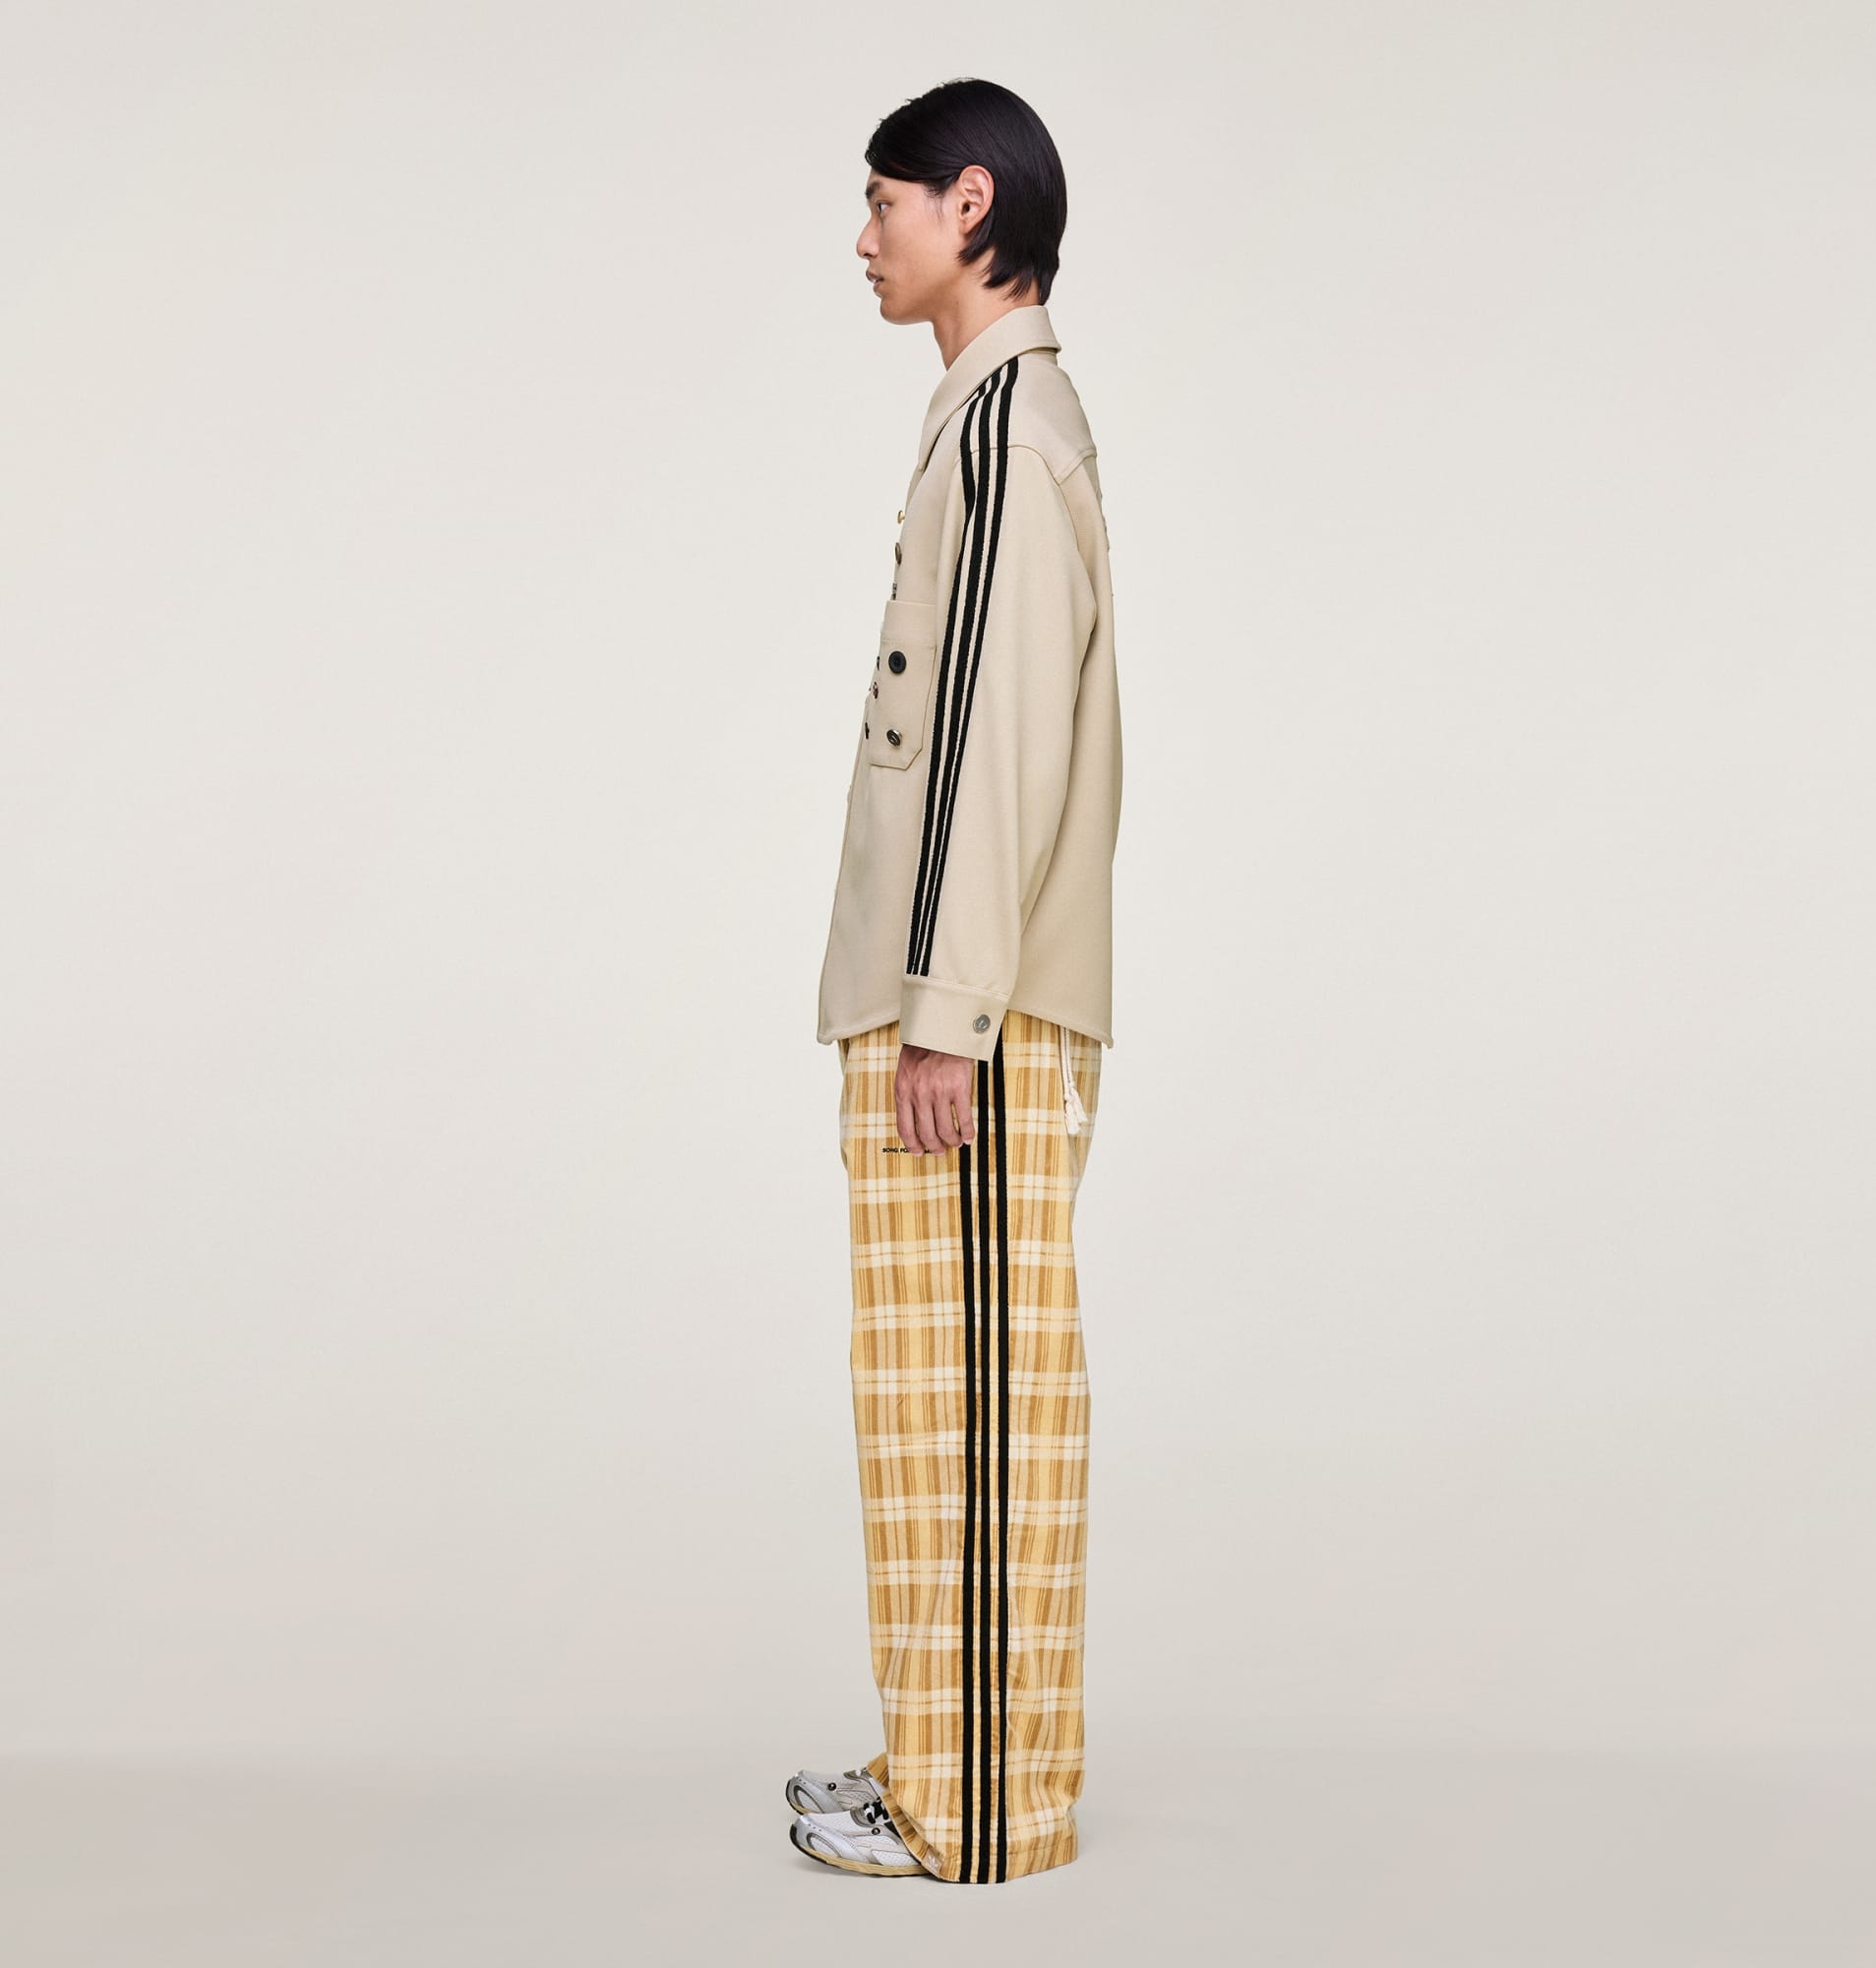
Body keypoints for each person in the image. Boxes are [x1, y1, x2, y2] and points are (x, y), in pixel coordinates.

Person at [793, 77, 1122, 1884]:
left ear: (971, 205)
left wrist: (947, 1014)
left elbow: (996, 748)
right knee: (930, 1408)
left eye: (885, 203)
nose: (864, 238)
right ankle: (939, 1758)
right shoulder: (983, 424)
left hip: (962, 1016)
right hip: (946, 1002)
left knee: (978, 1404)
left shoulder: (1008, 430)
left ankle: (982, 1806)